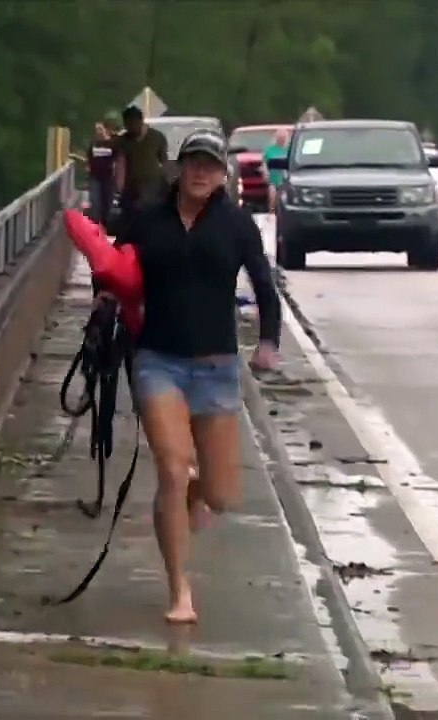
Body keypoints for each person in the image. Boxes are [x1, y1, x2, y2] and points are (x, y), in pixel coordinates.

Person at [102, 130, 281, 624]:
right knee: (172, 470)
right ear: (178, 168)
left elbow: (265, 286)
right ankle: (179, 591)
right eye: (193, 163)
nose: (200, 172)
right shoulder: (147, 220)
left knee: (219, 496)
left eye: (210, 164)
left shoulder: (236, 225)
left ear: (222, 173)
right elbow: (114, 268)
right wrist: (106, 299)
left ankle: (197, 491)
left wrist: (269, 342)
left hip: (217, 367)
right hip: (158, 359)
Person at [112, 105, 169, 235]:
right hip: (131, 191)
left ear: (141, 121)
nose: (130, 128)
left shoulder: (157, 137)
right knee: (130, 227)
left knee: (152, 224)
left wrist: (167, 183)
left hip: (153, 189)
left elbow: (164, 162)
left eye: (132, 124)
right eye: (127, 125)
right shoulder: (123, 141)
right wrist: (119, 189)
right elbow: (120, 164)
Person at [86, 121, 117, 224]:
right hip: (95, 177)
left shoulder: (112, 143)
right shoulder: (93, 144)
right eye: (96, 130)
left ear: (105, 130)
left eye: (100, 129)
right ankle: (96, 224)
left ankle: (106, 224)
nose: (98, 132)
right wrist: (88, 166)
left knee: (107, 202)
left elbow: (118, 159)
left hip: (108, 177)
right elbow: (89, 158)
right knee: (95, 202)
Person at [261, 127, 290, 213]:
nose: (281, 139)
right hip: (273, 179)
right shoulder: (270, 149)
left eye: (283, 137)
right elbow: (264, 162)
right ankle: (272, 212)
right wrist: (265, 172)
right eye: (280, 137)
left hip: (286, 179)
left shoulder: (289, 149)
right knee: (272, 195)